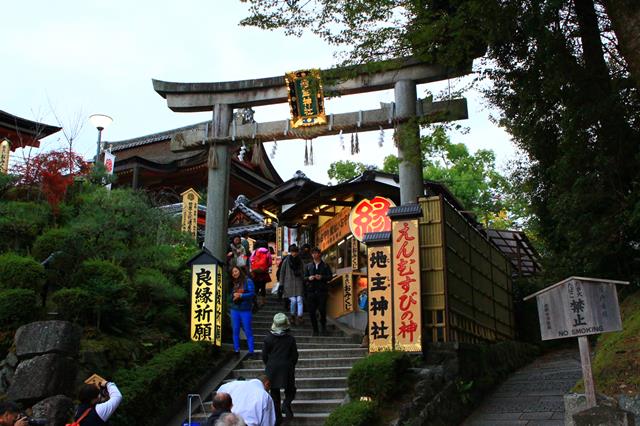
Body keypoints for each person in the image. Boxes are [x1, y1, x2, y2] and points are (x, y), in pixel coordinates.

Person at [262, 313, 298, 425]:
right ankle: (286, 404)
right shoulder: (290, 339)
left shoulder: (268, 338)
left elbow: (264, 355)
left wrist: (269, 364)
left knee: (274, 394)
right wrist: (291, 364)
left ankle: (278, 419)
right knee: (290, 389)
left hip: (272, 367)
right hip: (287, 366)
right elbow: (295, 355)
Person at [304, 247, 333, 336]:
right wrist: (309, 278)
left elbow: (330, 277)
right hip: (311, 291)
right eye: (313, 253)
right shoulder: (308, 266)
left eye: (316, 253)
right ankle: (315, 330)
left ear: (319, 254)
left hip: (322, 291)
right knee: (312, 311)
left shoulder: (325, 265)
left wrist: (322, 277)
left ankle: (323, 328)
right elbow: (304, 277)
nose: (314, 255)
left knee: (322, 310)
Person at [229, 265, 256, 358]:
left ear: (239, 271)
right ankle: (236, 350)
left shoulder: (247, 281)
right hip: (234, 309)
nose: (234, 274)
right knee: (235, 330)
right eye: (232, 273)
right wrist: (232, 297)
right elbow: (230, 296)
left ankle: (251, 351)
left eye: (235, 271)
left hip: (245, 309)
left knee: (248, 330)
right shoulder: (234, 283)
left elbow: (252, 293)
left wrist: (241, 295)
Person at [279, 244, 305, 325]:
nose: (294, 253)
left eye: (295, 252)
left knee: (300, 300)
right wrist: (281, 284)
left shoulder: (300, 261)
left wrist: (303, 278)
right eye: (293, 252)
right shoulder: (286, 260)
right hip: (288, 283)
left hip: (299, 282)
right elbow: (282, 272)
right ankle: (292, 316)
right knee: (293, 301)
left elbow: (304, 271)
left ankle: (300, 316)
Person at [250, 241, 272, 308]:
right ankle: (263, 301)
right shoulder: (267, 252)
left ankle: (254, 301)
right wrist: (265, 267)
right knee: (263, 287)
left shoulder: (255, 251)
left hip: (256, 272)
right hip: (264, 272)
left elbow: (251, 260)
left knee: (255, 287)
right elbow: (270, 262)